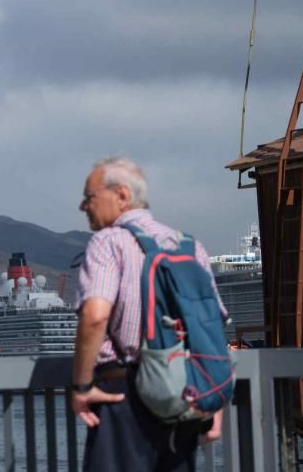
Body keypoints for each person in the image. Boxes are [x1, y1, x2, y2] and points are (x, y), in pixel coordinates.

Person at [72, 157, 225, 472]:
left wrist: (82, 386)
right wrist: (214, 399)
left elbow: (95, 316)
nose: (83, 206)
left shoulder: (108, 241)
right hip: (184, 393)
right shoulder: (189, 246)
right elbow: (211, 327)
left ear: (122, 195)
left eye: (89, 197)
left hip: (123, 396)